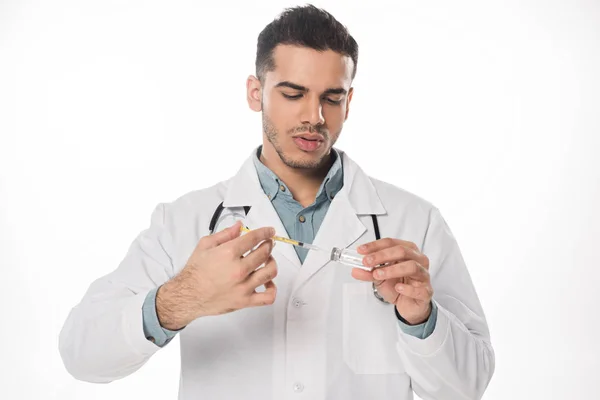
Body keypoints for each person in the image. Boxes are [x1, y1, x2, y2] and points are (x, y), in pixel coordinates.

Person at [59, 4, 495, 399]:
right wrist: (182, 298)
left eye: (332, 97)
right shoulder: (186, 222)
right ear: (256, 93)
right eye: (292, 94)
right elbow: (81, 354)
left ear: (349, 101)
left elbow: (467, 387)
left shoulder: (414, 223)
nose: (314, 117)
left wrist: (421, 320)